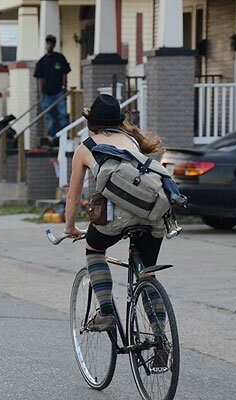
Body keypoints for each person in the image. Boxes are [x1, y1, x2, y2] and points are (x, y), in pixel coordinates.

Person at [63, 94, 167, 335]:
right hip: (152, 213)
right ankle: (160, 334)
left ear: (92, 123)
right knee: (147, 272)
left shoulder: (85, 148)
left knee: (94, 249)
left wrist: (70, 227)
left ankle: (106, 312)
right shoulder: (132, 141)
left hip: (114, 218)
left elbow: (73, 196)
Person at [34, 34, 71, 138]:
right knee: (50, 117)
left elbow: (64, 73)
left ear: (54, 45)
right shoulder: (42, 61)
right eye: (47, 43)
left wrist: (64, 87)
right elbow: (40, 78)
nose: (49, 45)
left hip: (59, 92)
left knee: (63, 115)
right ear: (46, 45)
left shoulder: (60, 58)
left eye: (51, 43)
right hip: (47, 94)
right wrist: (42, 92)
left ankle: (65, 135)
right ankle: (52, 137)